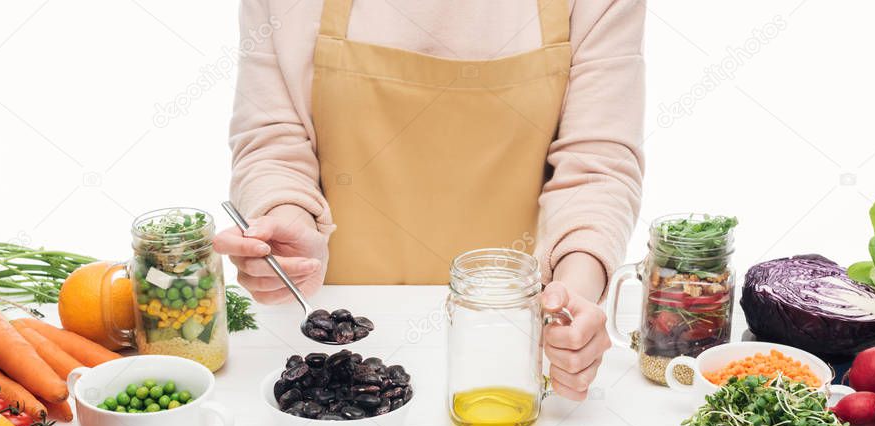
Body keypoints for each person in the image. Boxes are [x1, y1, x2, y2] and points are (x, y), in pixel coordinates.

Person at [214, 0, 644, 400]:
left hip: (508, 342)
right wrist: (288, 223)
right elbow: (273, 138)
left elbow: (597, 161)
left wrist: (573, 293)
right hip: (335, 326)